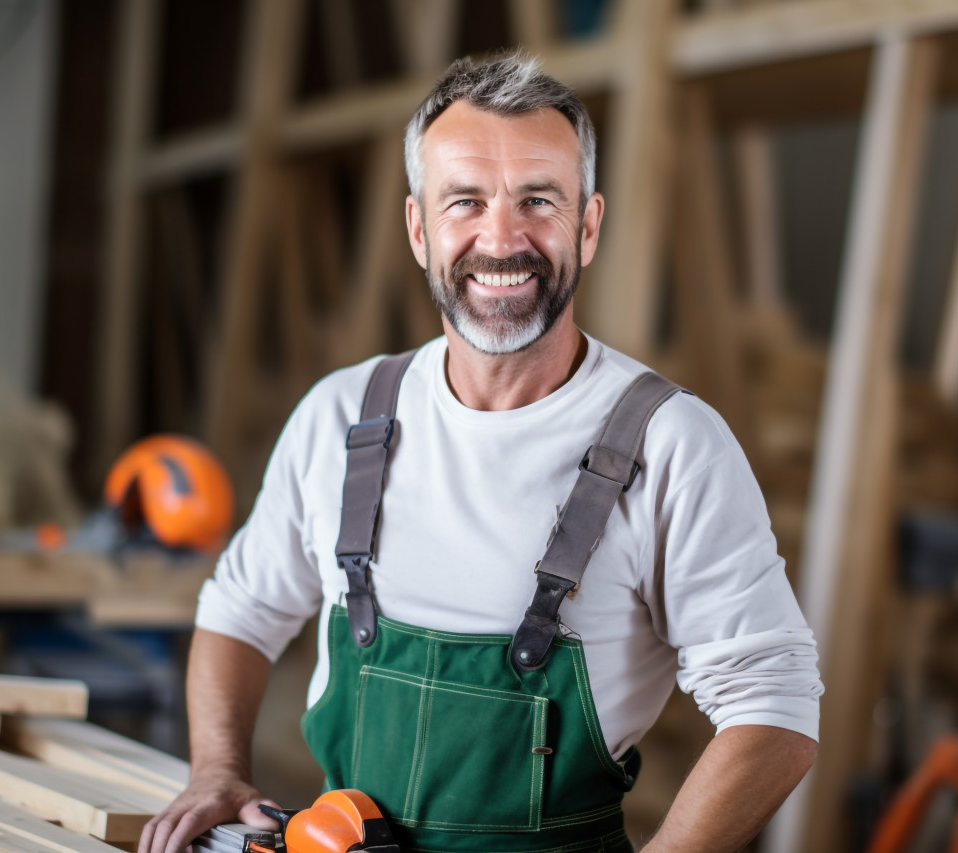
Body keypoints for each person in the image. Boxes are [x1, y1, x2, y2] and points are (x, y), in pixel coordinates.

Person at [140, 50, 822, 853]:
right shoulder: (344, 417)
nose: (502, 238)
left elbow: (773, 708)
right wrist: (216, 768)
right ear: (419, 229)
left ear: (589, 225)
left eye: (539, 199)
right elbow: (240, 609)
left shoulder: (671, 445)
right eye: (465, 201)